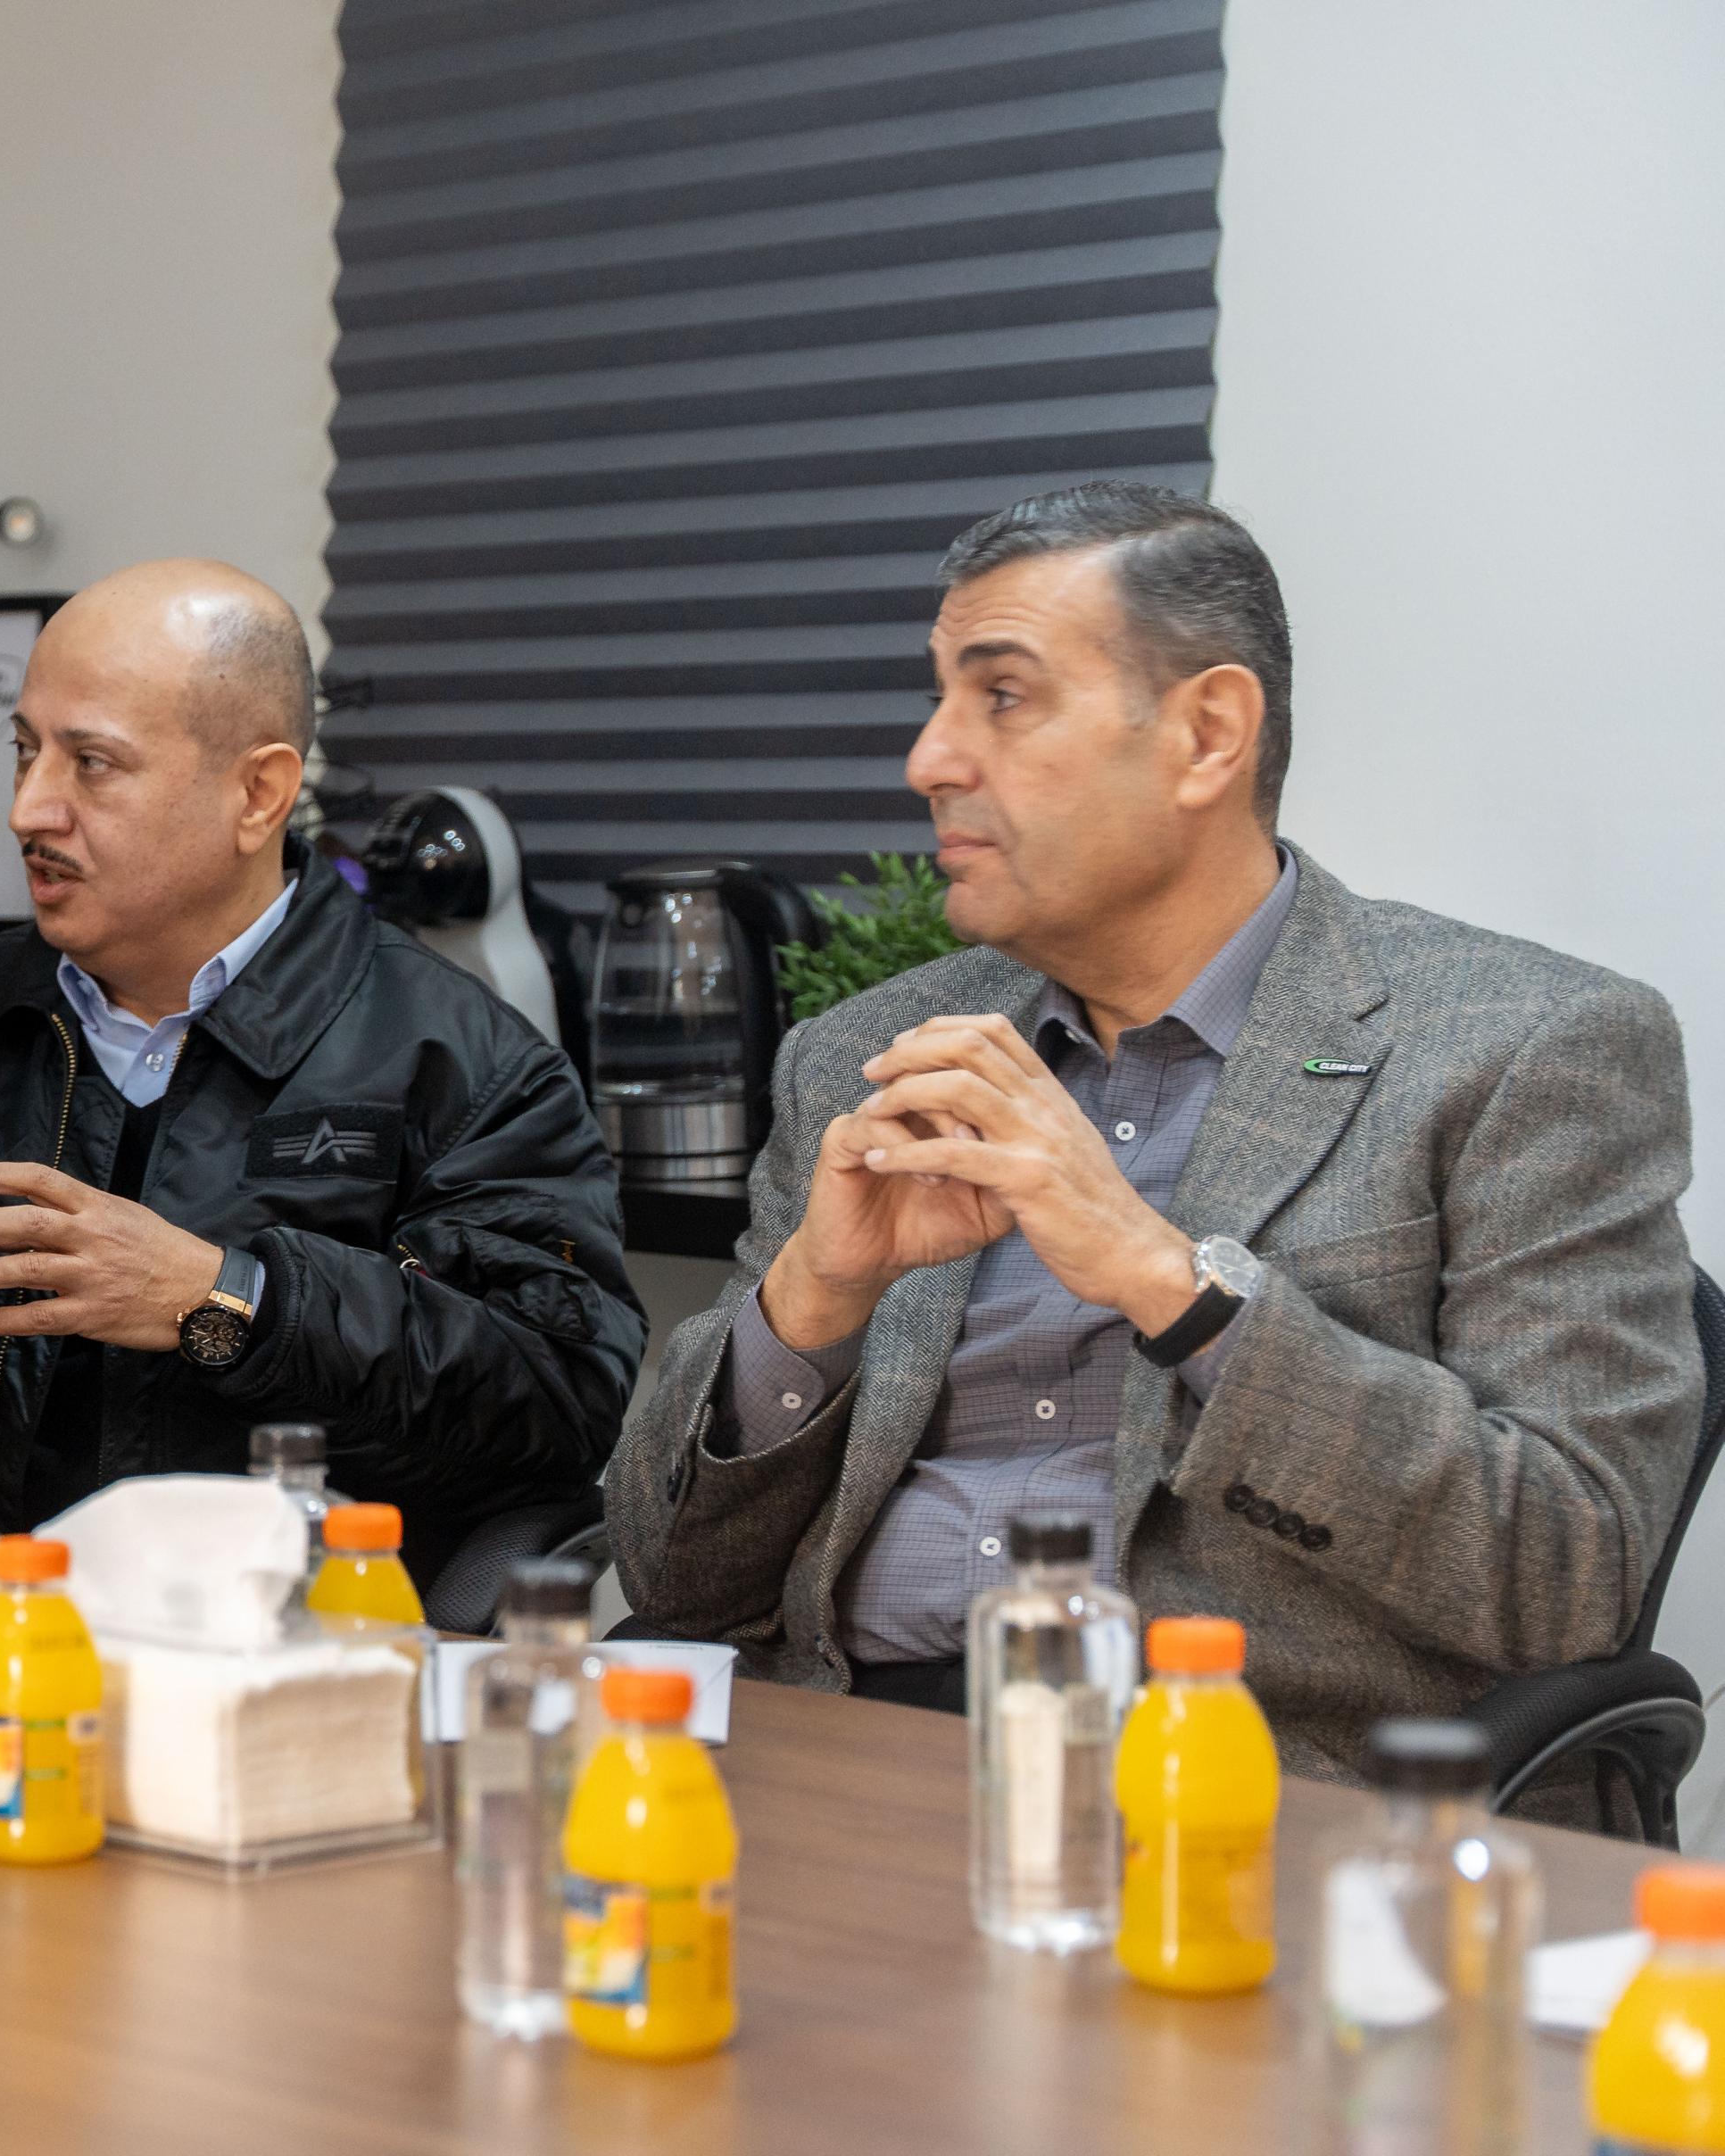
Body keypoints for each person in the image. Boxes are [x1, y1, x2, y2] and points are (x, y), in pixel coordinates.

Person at [603, 481, 1702, 1790]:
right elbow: (667, 1577)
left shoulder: (1526, 1046)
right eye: (939, 698)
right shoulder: (868, 1058)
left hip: (1226, 1792)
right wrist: (811, 1306)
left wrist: (1169, 1281)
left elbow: (1567, 1571)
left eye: (1002, 696)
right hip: (839, 1762)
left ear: (1205, 735)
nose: (930, 759)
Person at [0, 559, 645, 1582]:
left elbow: (561, 1403)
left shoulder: (460, 1062)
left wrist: (229, 1302)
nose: (28, 809)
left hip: (288, 1641)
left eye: (90, 763)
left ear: (257, 794)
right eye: (22, 752)